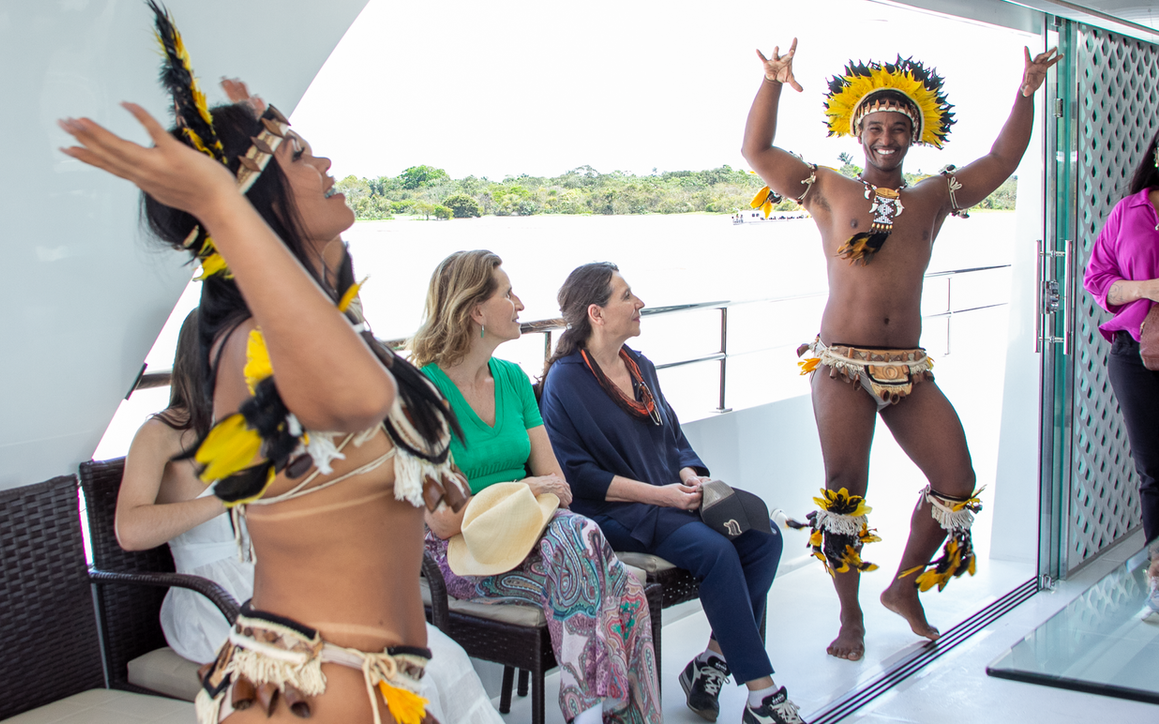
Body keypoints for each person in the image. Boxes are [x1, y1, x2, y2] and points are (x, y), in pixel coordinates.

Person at [61, 0, 471, 724]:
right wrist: (224, 204)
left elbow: (364, 382)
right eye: (300, 157)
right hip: (309, 693)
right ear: (258, 201)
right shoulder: (251, 342)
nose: (327, 163)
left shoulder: (327, 324)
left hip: (366, 685)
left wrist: (421, 481)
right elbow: (360, 398)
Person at [740, 40, 1061, 661]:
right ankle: (850, 616)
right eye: (875, 127)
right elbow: (756, 151)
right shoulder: (827, 189)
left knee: (956, 480)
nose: (886, 136)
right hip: (841, 367)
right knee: (843, 488)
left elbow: (1001, 157)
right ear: (859, 133)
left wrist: (1024, 94)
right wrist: (774, 83)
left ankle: (904, 587)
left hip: (908, 368)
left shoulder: (933, 197)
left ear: (913, 136)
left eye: (898, 128)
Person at [115, 309, 504, 724]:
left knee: (438, 659)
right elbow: (131, 530)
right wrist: (226, 497)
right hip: (215, 596)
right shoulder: (160, 435)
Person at [540, 263, 801, 724]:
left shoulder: (640, 365)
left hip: (671, 499)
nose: (639, 303)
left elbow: (674, 437)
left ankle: (712, 662)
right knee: (718, 552)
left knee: (764, 536)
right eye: (627, 295)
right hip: (618, 514)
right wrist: (662, 496)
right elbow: (577, 477)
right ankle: (763, 694)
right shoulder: (566, 379)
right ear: (596, 313)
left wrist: (689, 474)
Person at [409, 250, 661, 724]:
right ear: (475, 311)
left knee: (603, 567)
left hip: (534, 536)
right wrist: (525, 489)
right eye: (508, 293)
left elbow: (558, 486)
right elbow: (444, 520)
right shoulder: (423, 395)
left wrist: (524, 493)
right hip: (460, 553)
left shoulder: (513, 380)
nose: (521, 303)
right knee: (614, 578)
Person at [1084, 116, 1159, 543]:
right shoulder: (1129, 210)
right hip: (1132, 353)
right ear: (1156, 154)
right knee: (1152, 472)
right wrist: (1147, 288)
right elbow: (1097, 279)